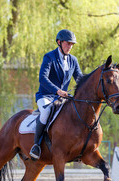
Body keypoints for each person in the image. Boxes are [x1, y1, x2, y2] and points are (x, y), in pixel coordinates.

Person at [30, 29, 83, 160]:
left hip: (62, 98)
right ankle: (36, 146)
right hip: (46, 96)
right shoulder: (49, 57)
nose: (70, 47)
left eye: (72, 44)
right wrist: (57, 91)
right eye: (68, 43)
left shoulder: (73, 60)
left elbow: (80, 79)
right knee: (47, 111)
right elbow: (43, 78)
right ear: (59, 42)